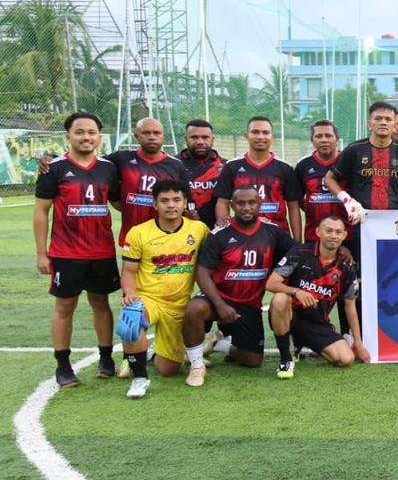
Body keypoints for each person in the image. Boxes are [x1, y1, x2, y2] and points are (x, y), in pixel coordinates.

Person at [33, 111, 120, 387]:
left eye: (91, 132)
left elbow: (119, 202)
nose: (86, 137)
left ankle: (106, 359)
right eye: (79, 132)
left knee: (101, 303)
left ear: (99, 137)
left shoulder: (109, 168)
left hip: (102, 252)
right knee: (65, 306)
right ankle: (63, 365)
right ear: (68, 137)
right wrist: (41, 253)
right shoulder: (54, 168)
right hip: (66, 253)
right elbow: (41, 211)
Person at [182, 186, 296, 371]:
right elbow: (202, 272)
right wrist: (220, 305)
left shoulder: (273, 231)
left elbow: (296, 253)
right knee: (195, 309)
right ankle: (195, 363)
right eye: (241, 203)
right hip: (219, 298)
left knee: (252, 361)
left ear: (260, 204)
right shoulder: (220, 234)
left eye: (252, 202)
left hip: (249, 305)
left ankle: (220, 344)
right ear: (232, 205)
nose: (246, 207)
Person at [117, 180, 210, 397]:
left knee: (168, 370)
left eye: (176, 200)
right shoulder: (138, 233)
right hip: (148, 299)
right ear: (155, 204)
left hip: (179, 305)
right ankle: (139, 378)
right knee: (131, 318)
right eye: (164, 200)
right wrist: (130, 294)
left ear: (185, 203)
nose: (171, 205)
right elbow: (129, 271)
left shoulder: (199, 230)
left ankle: (150, 351)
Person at [266, 214, 369, 379]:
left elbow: (350, 306)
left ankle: (301, 342)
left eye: (338, 232)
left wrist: (358, 343)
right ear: (318, 232)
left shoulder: (346, 266)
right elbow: (271, 283)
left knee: (346, 359)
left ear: (344, 235)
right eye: (328, 231)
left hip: (318, 323)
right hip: (291, 316)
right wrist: (296, 291)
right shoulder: (299, 252)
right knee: (280, 299)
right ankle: (286, 359)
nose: (333, 236)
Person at [214, 116, 303, 240]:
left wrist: (297, 242)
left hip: (278, 237)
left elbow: (293, 206)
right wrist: (225, 233)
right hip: (243, 236)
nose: (260, 137)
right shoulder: (232, 166)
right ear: (247, 136)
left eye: (265, 132)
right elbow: (223, 201)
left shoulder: (285, 168)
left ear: (272, 136)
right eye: (255, 132)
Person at [105, 116, 190, 245]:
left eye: (156, 133)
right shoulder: (121, 158)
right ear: (136, 136)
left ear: (163, 136)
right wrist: (116, 198)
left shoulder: (176, 165)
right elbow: (96, 167)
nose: (151, 137)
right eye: (146, 133)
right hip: (132, 237)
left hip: (166, 238)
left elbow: (184, 200)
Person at [295, 119, 345, 241]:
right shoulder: (303, 165)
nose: (323, 140)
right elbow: (297, 200)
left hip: (346, 236)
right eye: (318, 136)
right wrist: (313, 207)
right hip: (314, 235)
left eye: (328, 135)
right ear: (312, 140)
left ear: (337, 139)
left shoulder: (348, 162)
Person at [179, 118, 225, 229]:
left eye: (205, 137)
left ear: (212, 139)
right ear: (186, 139)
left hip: (217, 229)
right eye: (194, 137)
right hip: (182, 231)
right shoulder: (174, 164)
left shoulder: (225, 166)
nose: (200, 142)